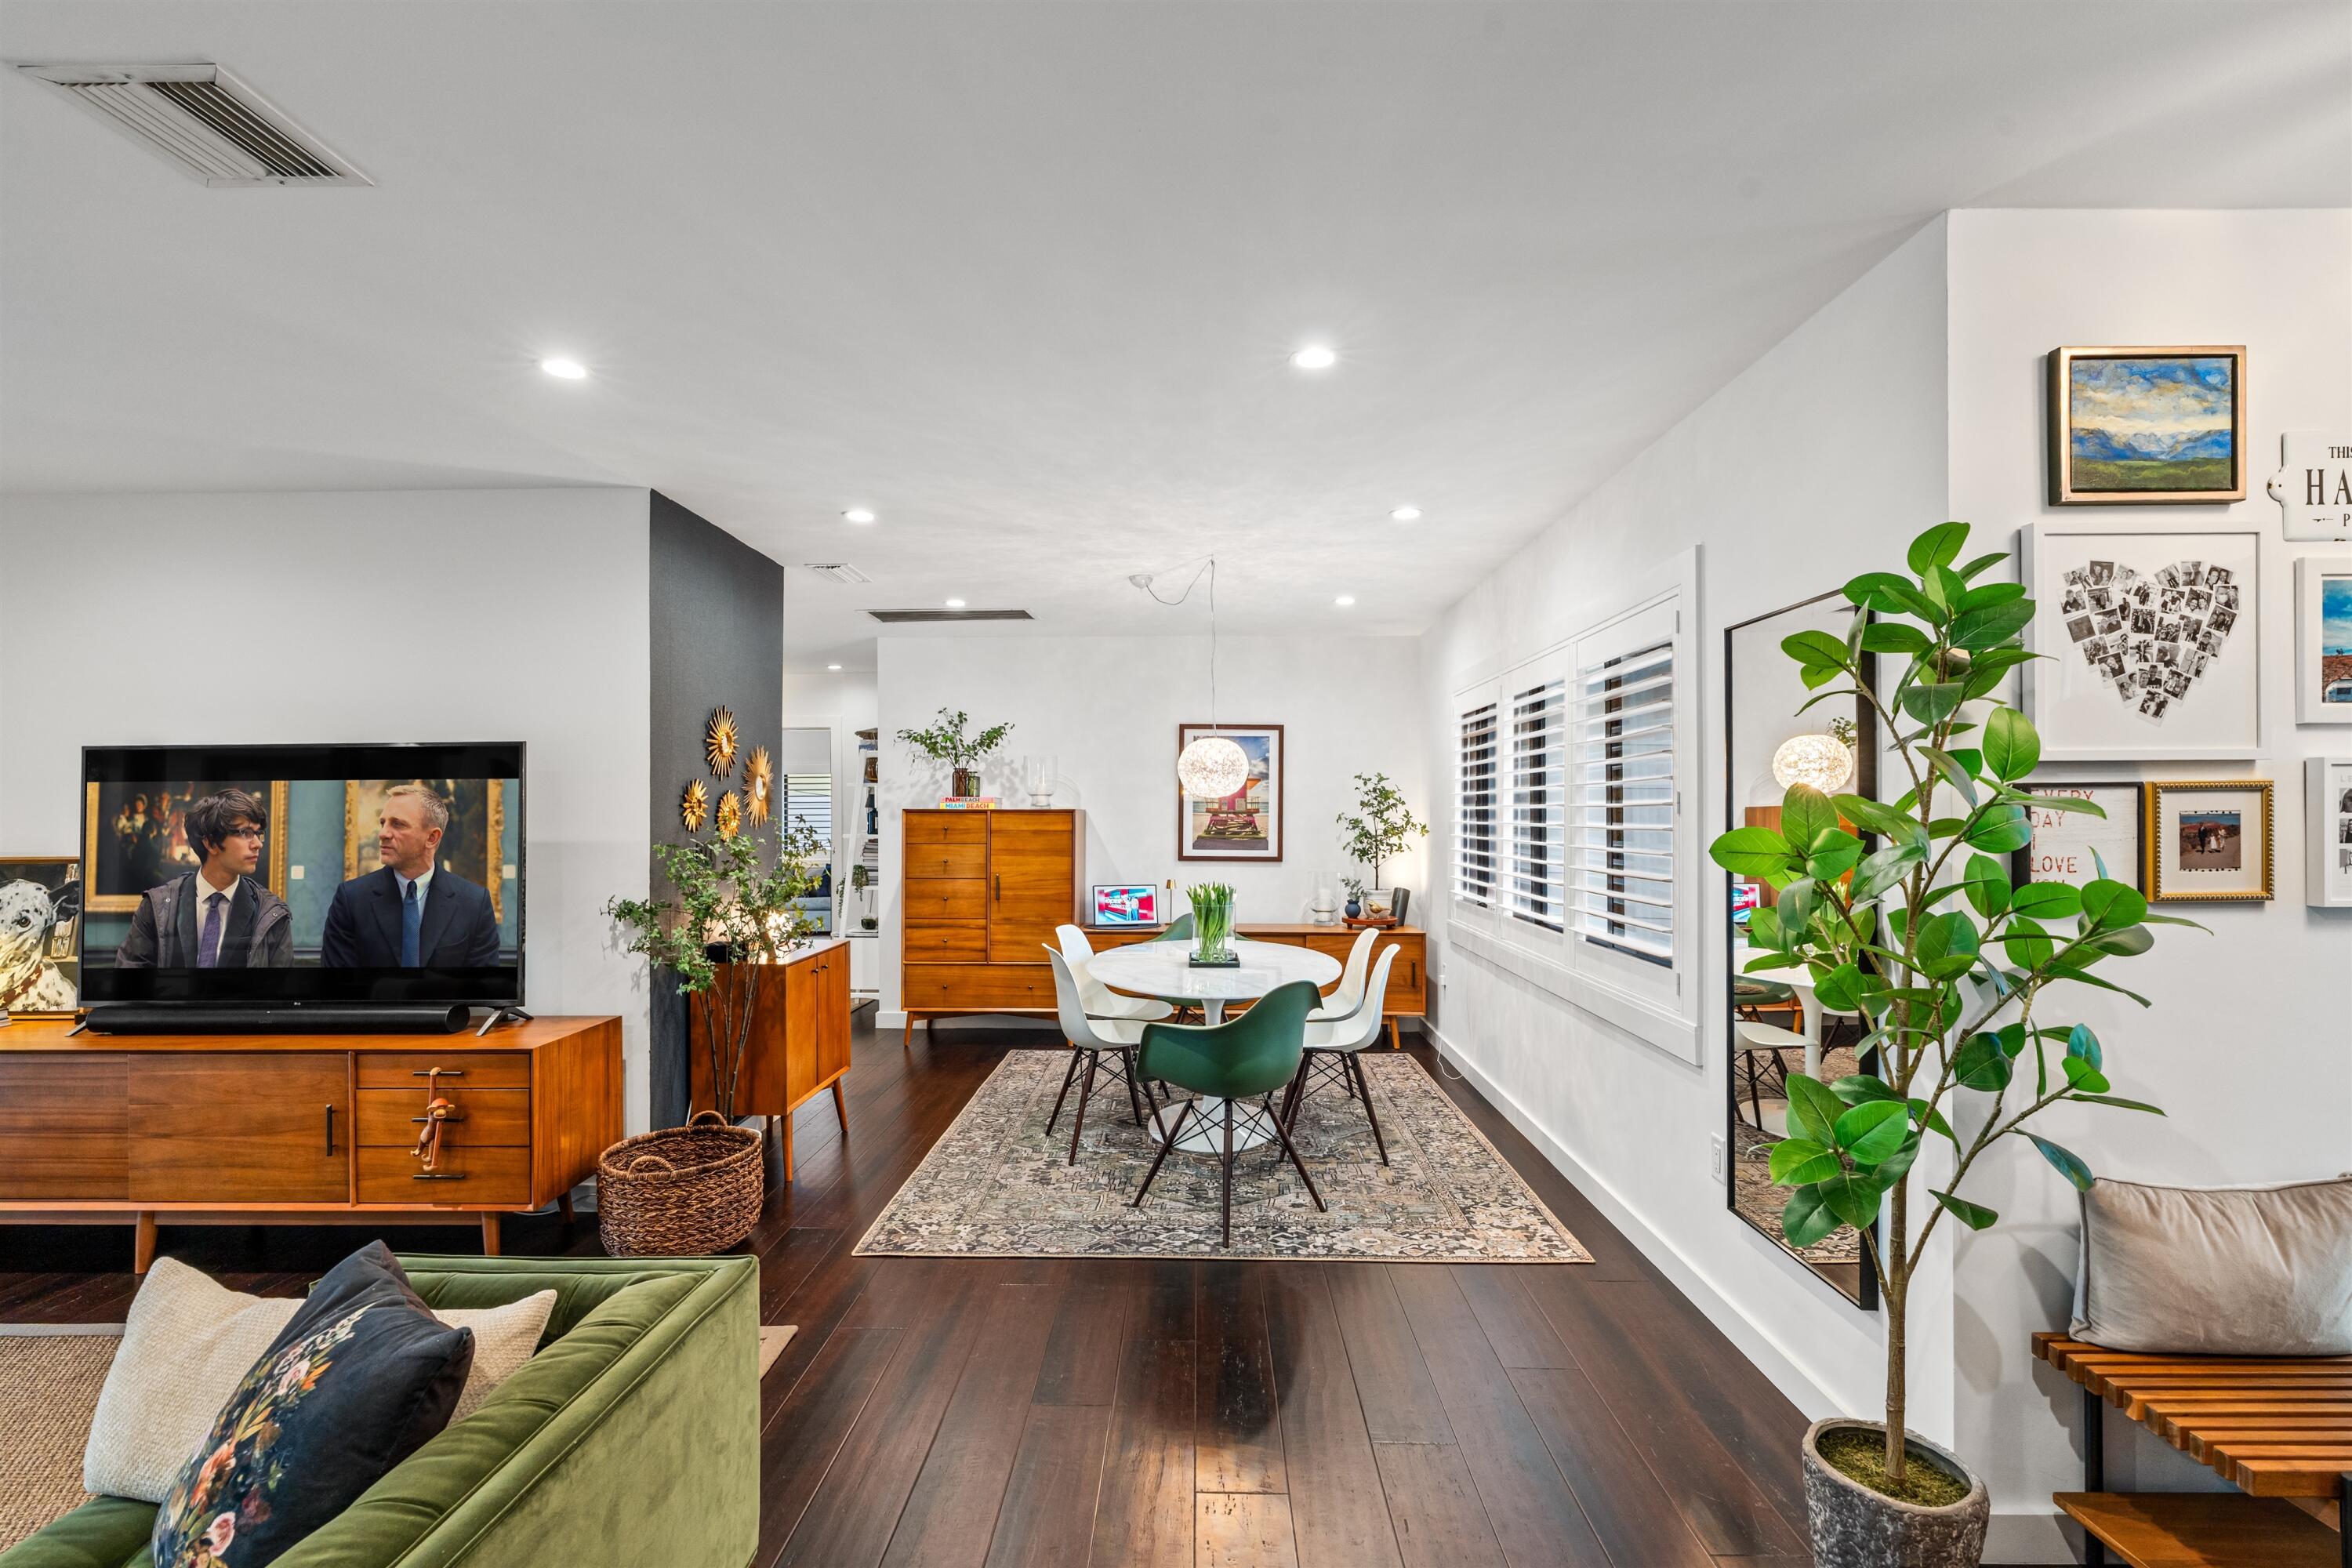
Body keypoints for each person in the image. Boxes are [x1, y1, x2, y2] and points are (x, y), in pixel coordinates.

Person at [321, 783, 502, 968]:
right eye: (383, 823)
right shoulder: (351, 899)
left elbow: (482, 991)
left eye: (398, 824)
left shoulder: (474, 903)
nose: (383, 833)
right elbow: (337, 990)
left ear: (432, 838)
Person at [114, 789, 292, 968]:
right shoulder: (156, 906)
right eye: (245, 833)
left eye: (258, 833)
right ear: (211, 843)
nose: (258, 844)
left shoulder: (272, 914)